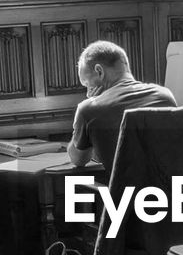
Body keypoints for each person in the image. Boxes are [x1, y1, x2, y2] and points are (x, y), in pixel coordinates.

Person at [67, 41, 176, 177]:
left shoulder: (89, 109)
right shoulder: (165, 96)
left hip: (123, 195)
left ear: (99, 71)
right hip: (170, 192)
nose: (88, 93)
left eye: (87, 84)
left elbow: (79, 160)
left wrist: (83, 121)